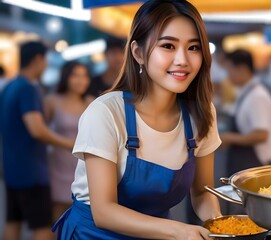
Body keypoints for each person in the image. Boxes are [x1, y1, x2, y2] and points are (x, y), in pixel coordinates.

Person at [52, 1, 222, 239]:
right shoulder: (106, 113)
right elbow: (104, 211)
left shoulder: (202, 113)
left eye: (194, 48)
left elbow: (203, 193)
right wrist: (178, 230)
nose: (183, 59)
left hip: (159, 233)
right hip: (94, 233)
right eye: (168, 46)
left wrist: (220, 226)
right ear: (138, 53)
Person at [0, 41, 74, 240]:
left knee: (12, 222)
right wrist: (71, 145)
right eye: (46, 61)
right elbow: (37, 130)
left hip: (12, 169)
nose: (46, 66)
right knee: (42, 225)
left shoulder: (9, 87)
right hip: (32, 172)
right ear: (38, 60)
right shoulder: (28, 88)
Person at [44, 61, 94, 223]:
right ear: (66, 77)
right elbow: (41, 132)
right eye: (75, 75)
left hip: (84, 167)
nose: (80, 80)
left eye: (84, 76)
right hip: (58, 165)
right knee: (57, 219)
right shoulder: (52, 100)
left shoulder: (92, 102)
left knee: (81, 218)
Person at [220, 49, 271, 177]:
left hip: (256, 165)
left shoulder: (257, 96)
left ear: (242, 69)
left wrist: (229, 137)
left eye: (229, 70)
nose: (228, 75)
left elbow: (261, 135)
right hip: (244, 164)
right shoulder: (246, 93)